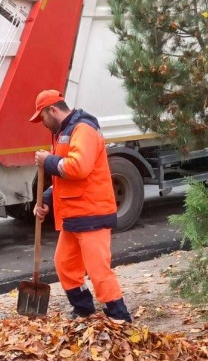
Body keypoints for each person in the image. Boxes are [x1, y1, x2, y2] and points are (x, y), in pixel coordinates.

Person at [30, 90, 132, 322]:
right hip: (74, 215)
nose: (42, 124)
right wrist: (46, 199)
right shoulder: (64, 132)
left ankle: (120, 318)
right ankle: (84, 309)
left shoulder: (83, 129)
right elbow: (66, 178)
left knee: (98, 271)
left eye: (42, 117)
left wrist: (49, 161)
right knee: (65, 264)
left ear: (52, 110)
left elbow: (79, 168)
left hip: (92, 213)